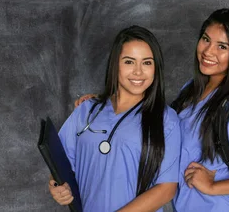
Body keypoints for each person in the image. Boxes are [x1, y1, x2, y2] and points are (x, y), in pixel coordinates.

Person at [74, 8, 229, 211]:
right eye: (206, 39)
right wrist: (108, 103)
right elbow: (156, 120)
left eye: (222, 47)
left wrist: (214, 187)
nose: (208, 51)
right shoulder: (193, 90)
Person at [48, 25, 181, 212]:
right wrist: (57, 187)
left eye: (147, 63)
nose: (138, 71)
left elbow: (166, 189)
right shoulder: (86, 111)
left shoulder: (167, 120)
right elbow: (59, 165)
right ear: (115, 64)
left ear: (156, 68)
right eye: (129, 62)